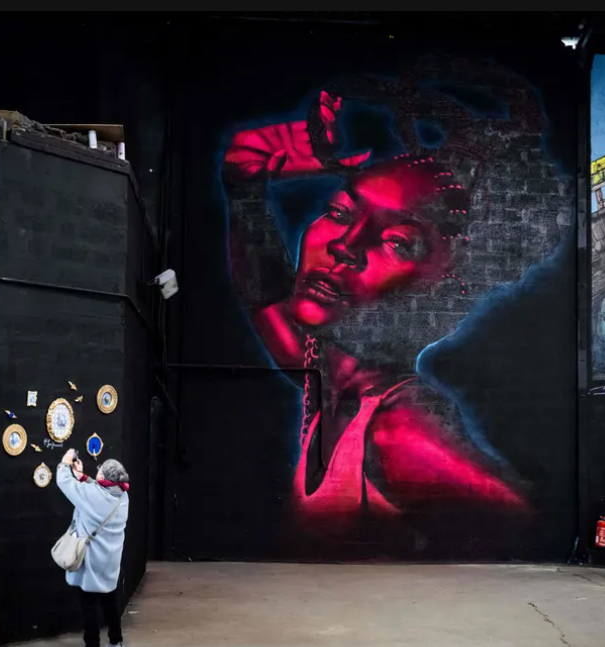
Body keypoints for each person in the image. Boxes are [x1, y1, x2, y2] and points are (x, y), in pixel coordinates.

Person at [222, 91, 531, 534]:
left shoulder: (400, 432)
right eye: (339, 212)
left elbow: (525, 519)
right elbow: (265, 296)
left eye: (397, 242)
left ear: (443, 287)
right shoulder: (326, 378)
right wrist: (244, 188)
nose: (343, 246)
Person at [57, 449, 130, 647]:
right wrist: (82, 477)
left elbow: (64, 482)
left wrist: (65, 463)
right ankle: (116, 641)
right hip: (110, 562)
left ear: (103, 477)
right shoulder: (123, 497)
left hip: (90, 562)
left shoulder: (92, 495)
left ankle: (92, 644)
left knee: (88, 605)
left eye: (100, 471)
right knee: (109, 601)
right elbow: (99, 490)